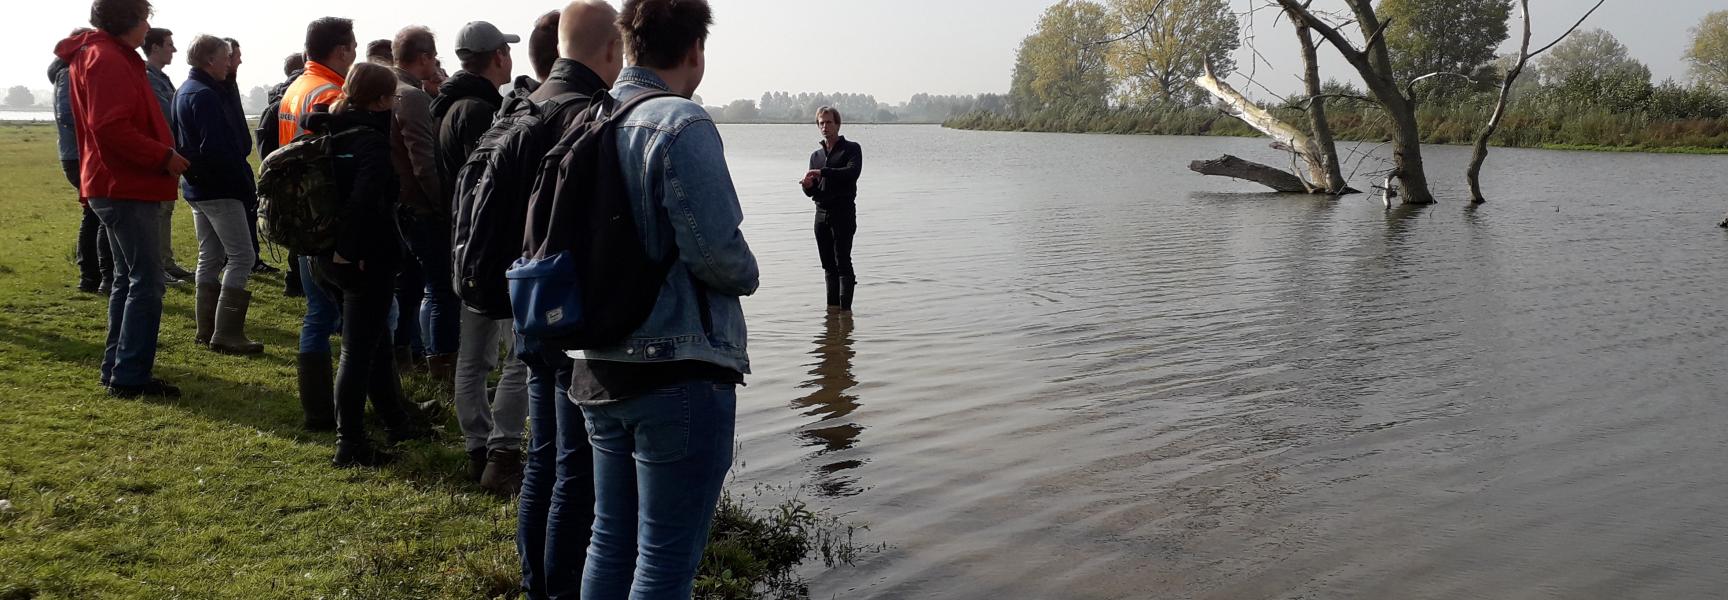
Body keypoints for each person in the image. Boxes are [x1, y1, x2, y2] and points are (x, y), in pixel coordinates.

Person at [573, 0, 758, 596]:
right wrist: (752, 272)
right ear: (696, 51)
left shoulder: (586, 116)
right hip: (675, 371)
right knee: (664, 561)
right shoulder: (682, 122)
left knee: (609, 540)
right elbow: (720, 258)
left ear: (628, 43)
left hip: (595, 364)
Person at [514, 3, 624, 595]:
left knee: (543, 460)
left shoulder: (525, 106)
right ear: (611, 51)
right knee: (573, 472)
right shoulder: (585, 115)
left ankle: (536, 584)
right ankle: (558, 590)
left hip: (526, 302)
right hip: (566, 312)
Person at [57, 0, 191, 398]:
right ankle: (130, 376)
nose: (149, 25)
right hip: (125, 184)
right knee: (146, 283)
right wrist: (163, 155)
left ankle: (118, 367)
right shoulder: (107, 58)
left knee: (127, 280)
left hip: (116, 182)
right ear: (128, 19)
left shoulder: (103, 54)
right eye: (145, 17)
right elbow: (110, 126)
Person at [304, 62, 431, 466]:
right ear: (378, 100)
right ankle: (350, 443)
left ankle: (395, 419)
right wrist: (349, 250)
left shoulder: (326, 128)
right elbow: (364, 201)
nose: (394, 104)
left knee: (373, 345)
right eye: (391, 97)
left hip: (322, 255)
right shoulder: (371, 142)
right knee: (357, 352)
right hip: (361, 259)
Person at [437, 19, 529, 495]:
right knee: (518, 356)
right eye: (506, 52)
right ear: (496, 57)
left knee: (473, 357)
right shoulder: (479, 110)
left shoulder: (452, 105)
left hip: (463, 245)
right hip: (489, 251)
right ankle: (498, 450)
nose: (510, 59)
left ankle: (479, 446)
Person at [281, 17, 358, 431]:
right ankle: (349, 405)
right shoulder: (331, 93)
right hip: (327, 220)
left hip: (301, 219)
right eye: (354, 48)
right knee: (352, 314)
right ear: (342, 51)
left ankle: (316, 410)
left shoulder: (296, 88)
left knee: (316, 312)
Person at [174, 34, 263, 356]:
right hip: (221, 188)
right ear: (210, 59)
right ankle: (227, 332)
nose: (231, 62)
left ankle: (206, 329)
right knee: (242, 256)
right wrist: (241, 184)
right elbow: (218, 149)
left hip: (198, 188)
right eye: (226, 56)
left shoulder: (185, 90)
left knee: (209, 257)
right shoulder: (206, 95)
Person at [387, 25, 442, 373]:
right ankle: (438, 360)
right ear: (423, 58)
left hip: (393, 207)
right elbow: (424, 163)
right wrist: (444, 206)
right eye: (433, 57)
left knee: (405, 288)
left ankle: (402, 355)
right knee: (437, 289)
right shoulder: (412, 96)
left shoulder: (386, 89)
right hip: (417, 207)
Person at [53, 30, 114, 296]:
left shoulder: (70, 72)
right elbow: (69, 114)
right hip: (79, 154)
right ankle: (98, 275)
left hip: (79, 153)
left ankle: (91, 276)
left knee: (93, 213)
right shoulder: (69, 73)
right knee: (99, 213)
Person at [222, 36, 278, 276]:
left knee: (249, 210)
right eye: (236, 56)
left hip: (238, 160)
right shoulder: (217, 87)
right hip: (229, 164)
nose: (241, 60)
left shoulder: (229, 83)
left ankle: (252, 258)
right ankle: (244, 259)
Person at [143, 27, 193, 284]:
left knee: (166, 211)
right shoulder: (149, 78)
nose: (173, 49)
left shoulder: (160, 77)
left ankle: (166, 262)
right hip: (160, 154)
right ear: (154, 47)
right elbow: (167, 114)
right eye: (168, 44)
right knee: (158, 213)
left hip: (169, 153)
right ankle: (157, 267)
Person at [800, 106, 862, 312]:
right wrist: (808, 187)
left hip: (843, 213)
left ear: (837, 124)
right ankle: (832, 315)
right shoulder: (815, 155)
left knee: (842, 262)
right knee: (828, 266)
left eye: (829, 122)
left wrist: (823, 172)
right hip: (821, 214)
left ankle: (846, 313)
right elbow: (813, 192)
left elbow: (851, 173)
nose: (825, 126)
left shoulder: (852, 149)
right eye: (821, 123)